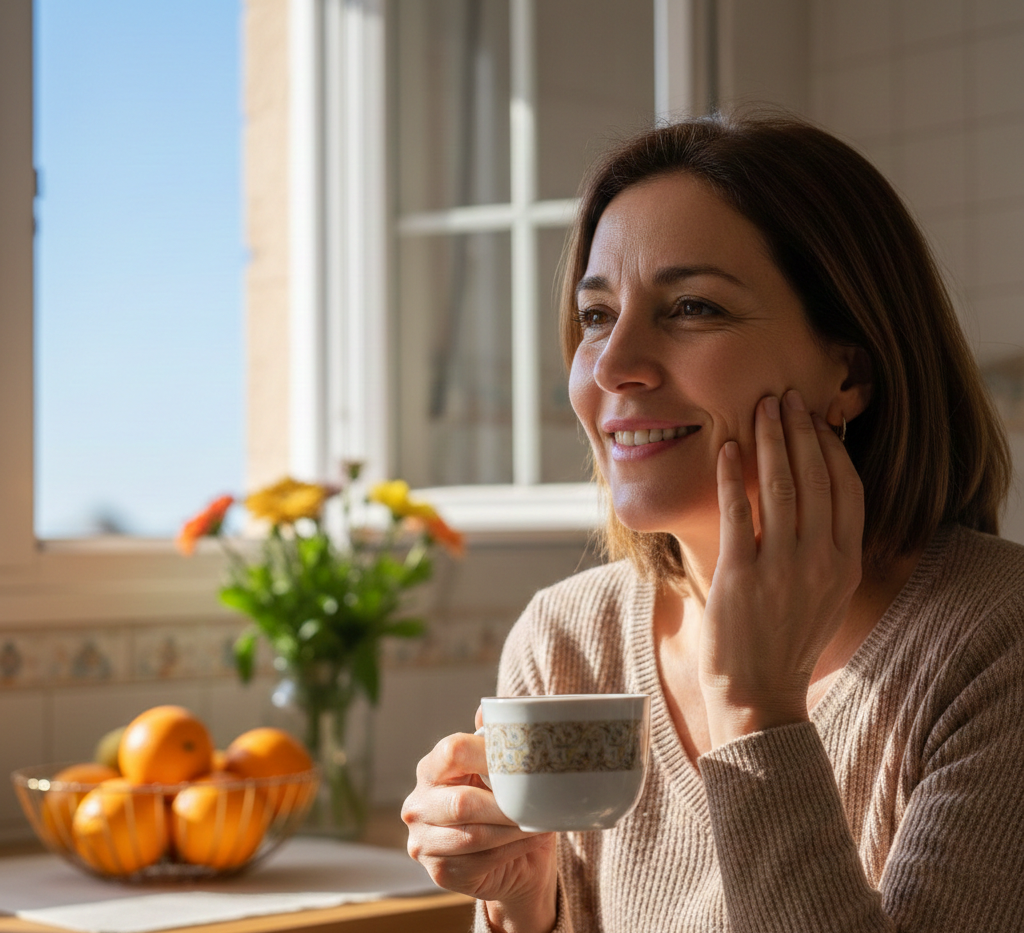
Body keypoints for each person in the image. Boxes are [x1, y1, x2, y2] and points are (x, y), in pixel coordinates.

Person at [401, 112, 1024, 932]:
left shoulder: (998, 643)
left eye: (691, 307)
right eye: (597, 315)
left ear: (849, 372)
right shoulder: (567, 643)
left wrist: (755, 707)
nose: (614, 365)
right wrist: (525, 906)